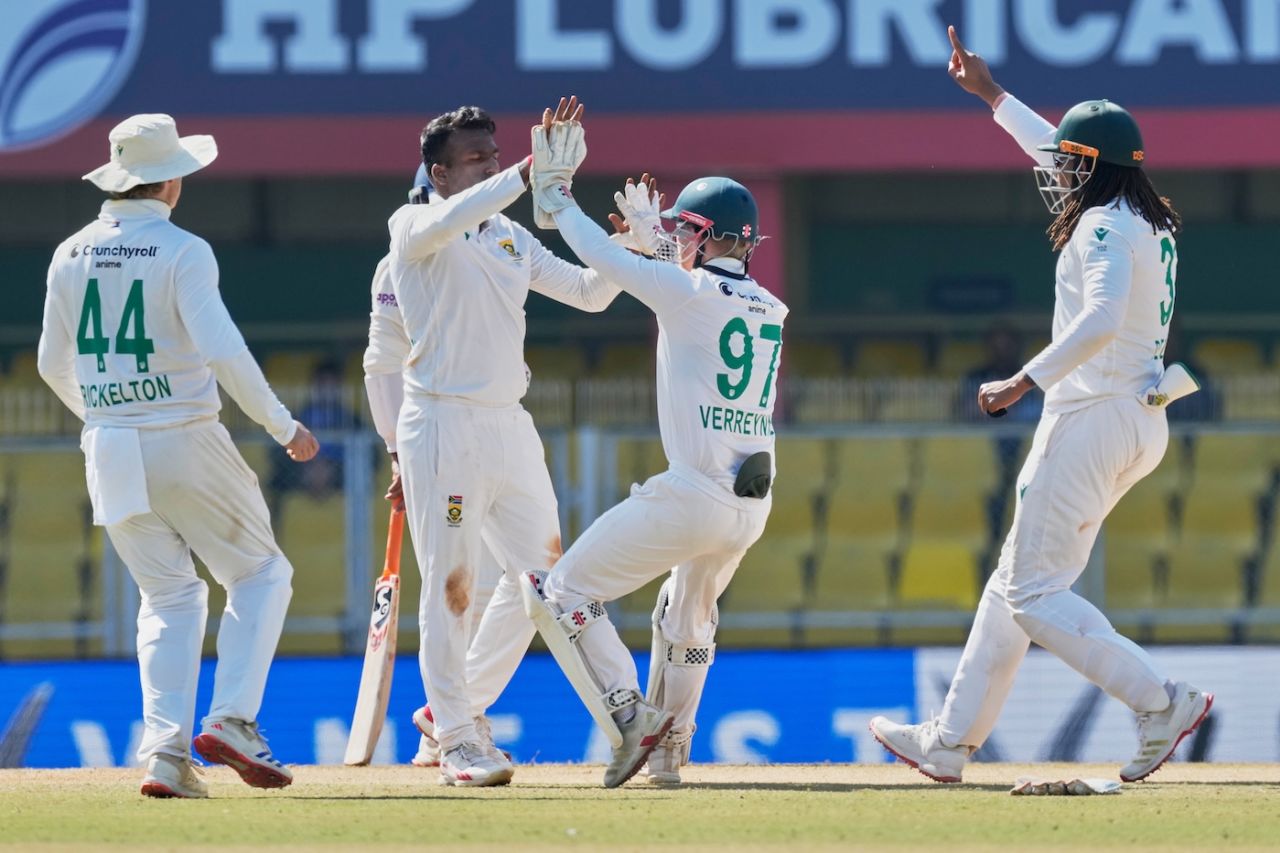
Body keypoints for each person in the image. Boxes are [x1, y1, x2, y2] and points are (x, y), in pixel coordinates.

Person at [869, 27, 1212, 784]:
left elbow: (1098, 318)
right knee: (1014, 581)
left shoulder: (1096, 224)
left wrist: (1022, 380)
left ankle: (1159, 699)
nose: (1054, 170)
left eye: (1067, 162)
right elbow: (1052, 149)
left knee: (1032, 592)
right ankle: (951, 741)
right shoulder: (1146, 219)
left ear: (1092, 168)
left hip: (1089, 415)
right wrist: (991, 94)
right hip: (1133, 414)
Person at [37, 114, 319, 798]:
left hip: (106, 442)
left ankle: (165, 753)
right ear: (171, 181)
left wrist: (111, 416)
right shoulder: (183, 249)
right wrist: (283, 425)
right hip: (183, 433)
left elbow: (50, 363)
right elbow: (223, 349)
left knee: (166, 595)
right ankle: (232, 720)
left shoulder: (69, 251)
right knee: (260, 572)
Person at [522, 102, 786, 787]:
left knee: (563, 591)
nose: (676, 238)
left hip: (695, 490)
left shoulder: (686, 292)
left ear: (708, 234)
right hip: (751, 501)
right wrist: (660, 245)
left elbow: (605, 259)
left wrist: (557, 199)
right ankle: (669, 752)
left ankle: (629, 711)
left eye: (685, 229)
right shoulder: (767, 306)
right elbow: (689, 285)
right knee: (686, 618)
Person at [387, 100, 624, 786]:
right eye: (474, 159)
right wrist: (525, 171)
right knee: (453, 586)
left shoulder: (508, 237)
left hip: (508, 425)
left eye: (494, 154)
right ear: (438, 172)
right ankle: (459, 738)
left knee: (547, 584)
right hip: (443, 423)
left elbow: (588, 292)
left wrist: (627, 252)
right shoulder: (413, 225)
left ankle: (450, 712)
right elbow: (452, 217)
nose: (488, 165)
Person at [361, 165, 510, 769]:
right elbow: (382, 363)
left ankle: (448, 712)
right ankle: (452, 722)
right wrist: (399, 451)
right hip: (435, 441)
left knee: (514, 582)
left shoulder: (491, 246)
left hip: (492, 434)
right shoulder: (402, 257)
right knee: (456, 582)